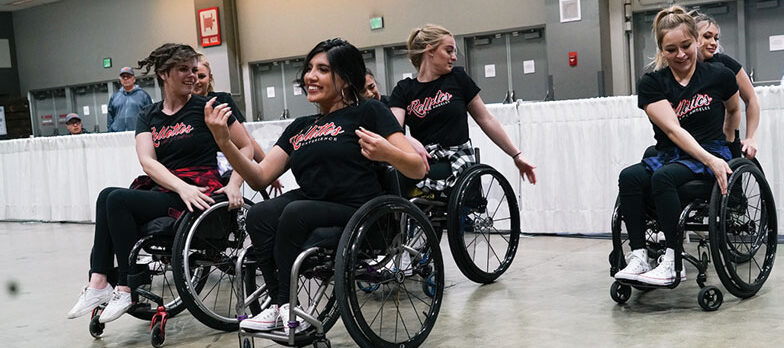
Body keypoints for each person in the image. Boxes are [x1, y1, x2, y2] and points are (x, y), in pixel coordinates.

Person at [204, 38, 426, 334]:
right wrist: (224, 141)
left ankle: (285, 304)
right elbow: (259, 177)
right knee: (259, 214)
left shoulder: (368, 112)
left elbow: (418, 166)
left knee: (296, 211)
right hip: (313, 204)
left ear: (346, 80)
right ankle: (278, 305)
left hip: (358, 208)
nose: (310, 76)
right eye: (309, 68)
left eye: (322, 69)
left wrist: (387, 153)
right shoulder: (300, 126)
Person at [66, 43, 252, 324]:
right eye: (183, 70)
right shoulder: (149, 115)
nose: (191, 76)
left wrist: (236, 183)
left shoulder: (208, 108)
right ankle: (99, 281)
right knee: (107, 198)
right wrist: (180, 186)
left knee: (113, 198)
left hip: (200, 191)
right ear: (164, 74)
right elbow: (147, 161)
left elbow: (246, 146)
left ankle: (127, 286)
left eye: (193, 70)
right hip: (173, 190)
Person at [614, 6, 741, 286]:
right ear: (661, 50)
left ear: (696, 40)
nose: (680, 55)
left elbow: (734, 109)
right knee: (629, 177)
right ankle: (638, 255)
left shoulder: (719, 76)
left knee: (663, 178)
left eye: (686, 45)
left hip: (709, 152)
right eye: (671, 50)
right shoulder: (652, 82)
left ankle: (674, 260)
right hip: (672, 153)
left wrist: (728, 145)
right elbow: (673, 129)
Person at [388, 24, 536, 197]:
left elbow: (486, 119)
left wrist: (516, 155)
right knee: (392, 175)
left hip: (456, 157)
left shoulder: (458, 79)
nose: (454, 57)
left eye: (454, 52)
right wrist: (407, 139)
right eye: (448, 51)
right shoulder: (404, 89)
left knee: (425, 173)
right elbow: (392, 129)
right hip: (424, 158)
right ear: (430, 51)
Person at [193, 53, 283, 196]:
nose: (196, 81)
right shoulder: (182, 109)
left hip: (224, 163)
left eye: (202, 76)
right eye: (193, 76)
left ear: (210, 77)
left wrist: (268, 172)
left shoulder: (222, 100)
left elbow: (247, 141)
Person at [689, 10, 760, 159]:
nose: (713, 43)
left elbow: (751, 99)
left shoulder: (724, 64)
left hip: (725, 142)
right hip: (692, 141)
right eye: (707, 37)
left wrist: (751, 137)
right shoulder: (683, 68)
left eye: (716, 38)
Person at [107, 66, 153, 132]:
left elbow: (150, 115)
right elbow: (110, 116)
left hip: (137, 133)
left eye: (128, 76)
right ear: (120, 80)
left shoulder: (143, 95)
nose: (126, 79)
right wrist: (110, 130)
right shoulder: (114, 97)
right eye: (123, 77)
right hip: (118, 135)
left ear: (134, 79)